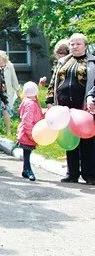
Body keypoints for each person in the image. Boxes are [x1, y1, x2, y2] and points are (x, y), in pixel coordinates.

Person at [46, 33, 95, 185]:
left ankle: (89, 174)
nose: (74, 47)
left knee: (88, 140)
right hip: (65, 107)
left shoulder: (92, 61)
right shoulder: (63, 62)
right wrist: (49, 100)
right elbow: (54, 81)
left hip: (84, 107)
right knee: (70, 139)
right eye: (72, 44)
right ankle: (72, 173)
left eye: (78, 44)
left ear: (85, 46)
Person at [17, 82, 43, 181]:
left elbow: (36, 115)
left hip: (28, 131)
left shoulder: (29, 102)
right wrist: (31, 133)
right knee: (27, 151)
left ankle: (25, 170)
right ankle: (28, 170)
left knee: (27, 152)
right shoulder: (30, 104)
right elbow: (27, 120)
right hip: (28, 132)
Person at [0, 50, 21, 137]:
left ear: (3, 57)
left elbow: (14, 78)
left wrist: (17, 90)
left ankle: (8, 131)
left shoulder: (10, 66)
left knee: (6, 111)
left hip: (7, 92)